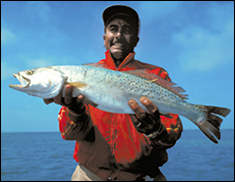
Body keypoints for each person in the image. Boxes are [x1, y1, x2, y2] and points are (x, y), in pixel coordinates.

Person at [44, 5, 183, 181]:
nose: (118, 35)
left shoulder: (156, 75)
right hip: (88, 175)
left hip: (141, 176)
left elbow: (171, 135)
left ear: (136, 40)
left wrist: (155, 129)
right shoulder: (83, 73)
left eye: (126, 30)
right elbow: (68, 134)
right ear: (104, 38)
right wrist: (75, 112)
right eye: (113, 29)